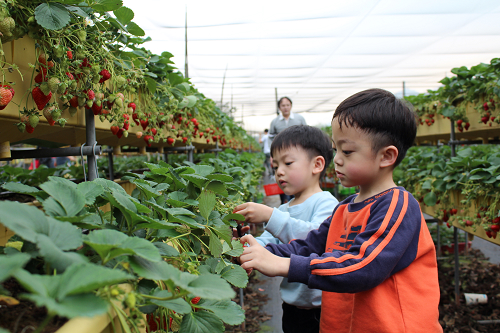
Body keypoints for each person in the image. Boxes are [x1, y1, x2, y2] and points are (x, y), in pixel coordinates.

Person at [239, 89, 442, 333]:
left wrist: (284, 265)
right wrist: (259, 252)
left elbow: (363, 266)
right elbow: (308, 245)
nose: (336, 159)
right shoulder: (345, 207)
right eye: (336, 150)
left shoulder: (397, 206)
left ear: (386, 156)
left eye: (347, 151)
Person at [234, 125, 339, 333]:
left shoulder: (327, 203)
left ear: (317, 164)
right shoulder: (284, 208)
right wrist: (244, 244)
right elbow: (266, 242)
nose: (279, 172)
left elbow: (314, 240)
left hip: (322, 309)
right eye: (275, 166)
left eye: (288, 163)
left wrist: (270, 216)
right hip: (291, 307)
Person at [269, 97, 307, 204]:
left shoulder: (299, 119)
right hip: (281, 155)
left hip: (297, 154)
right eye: (283, 105)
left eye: (287, 105)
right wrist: (272, 155)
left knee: (296, 174)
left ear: (291, 106)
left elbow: (306, 135)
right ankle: (285, 201)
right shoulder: (275, 122)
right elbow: (271, 138)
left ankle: (298, 199)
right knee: (282, 175)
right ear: (279, 107)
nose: (285, 108)